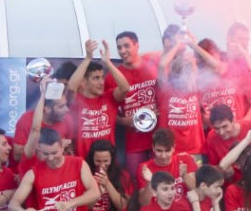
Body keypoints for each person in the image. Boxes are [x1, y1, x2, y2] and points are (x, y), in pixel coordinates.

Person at [66, 39, 131, 160]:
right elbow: (71, 87)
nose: (102, 82)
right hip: (83, 163)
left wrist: (108, 63)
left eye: (102, 77)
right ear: (84, 82)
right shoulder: (76, 101)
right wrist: (88, 58)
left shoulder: (109, 98)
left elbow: (125, 88)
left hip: (108, 164)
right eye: (96, 78)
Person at [110, 31, 160, 169]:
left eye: (127, 46)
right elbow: (105, 109)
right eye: (119, 47)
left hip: (159, 138)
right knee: (137, 182)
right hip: (134, 141)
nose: (122, 51)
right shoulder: (114, 77)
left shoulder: (153, 64)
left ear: (137, 45)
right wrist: (123, 121)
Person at [200, 22, 251, 122]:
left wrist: (240, 126)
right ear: (229, 38)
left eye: (247, 40)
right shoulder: (220, 60)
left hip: (242, 121)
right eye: (241, 39)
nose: (245, 43)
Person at [156, 35, 208, 156]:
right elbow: (162, 65)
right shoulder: (166, 90)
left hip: (196, 150)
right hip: (170, 152)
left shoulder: (197, 89)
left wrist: (193, 45)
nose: (196, 71)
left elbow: (212, 63)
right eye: (192, 68)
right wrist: (178, 44)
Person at [206, 104, 251, 177]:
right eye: (216, 128)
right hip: (235, 183)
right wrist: (223, 171)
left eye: (225, 126)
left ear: (233, 120)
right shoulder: (212, 137)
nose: (221, 132)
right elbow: (215, 166)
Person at [136, 128, 197, 206]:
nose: (163, 156)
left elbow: (197, 193)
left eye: (167, 150)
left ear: (174, 147)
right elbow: (144, 204)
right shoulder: (144, 168)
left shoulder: (185, 160)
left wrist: (185, 176)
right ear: (153, 148)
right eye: (159, 151)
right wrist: (150, 182)